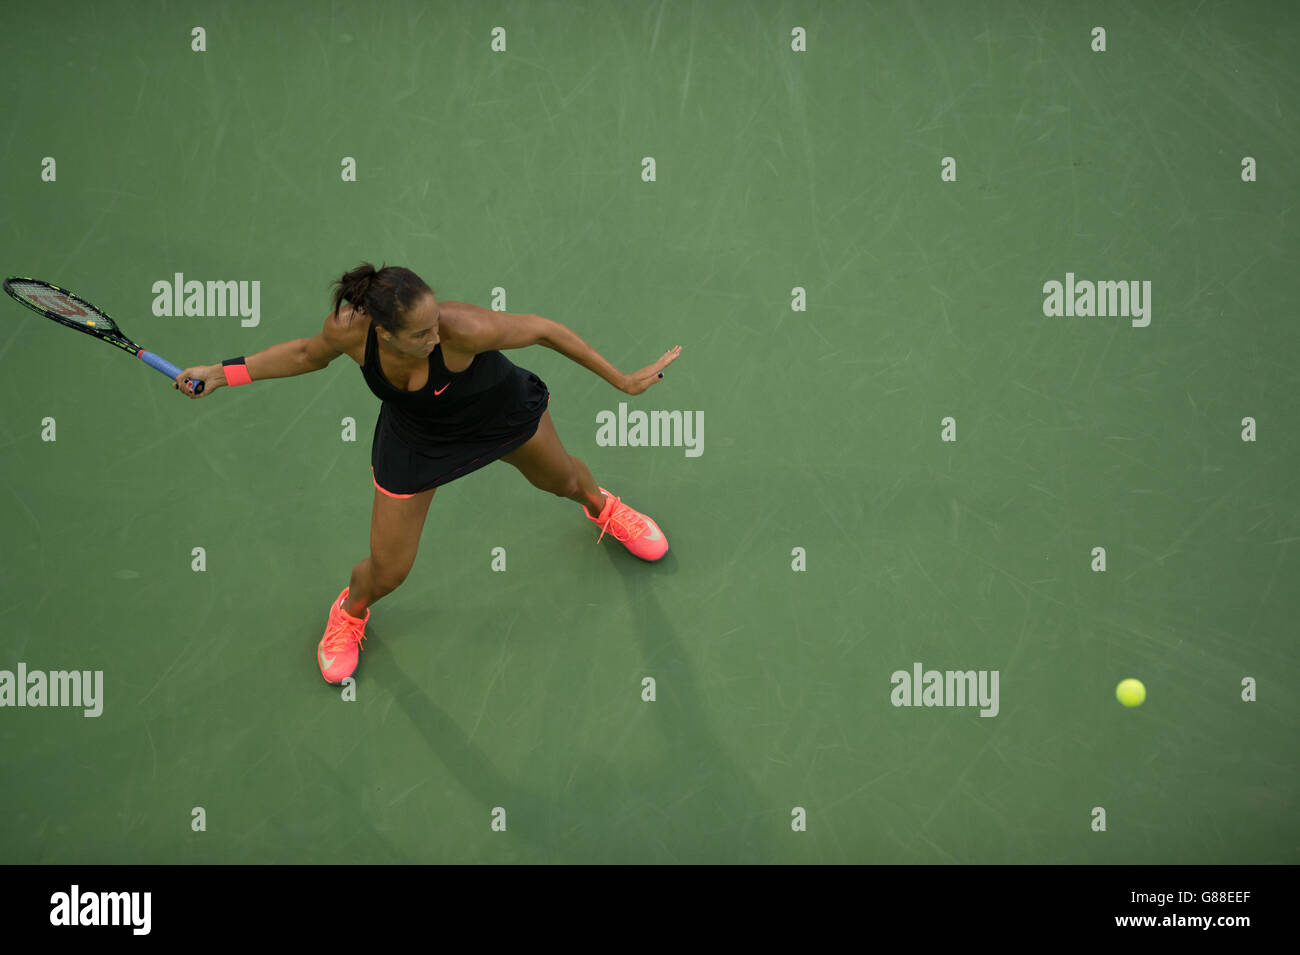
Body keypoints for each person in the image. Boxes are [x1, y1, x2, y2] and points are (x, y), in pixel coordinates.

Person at [172, 262, 681, 684]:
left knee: (564, 481)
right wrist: (220, 374)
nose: (438, 335)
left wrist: (621, 380)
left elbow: (544, 330)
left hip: (496, 415)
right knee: (389, 569)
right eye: (422, 333)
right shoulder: (349, 333)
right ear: (384, 332)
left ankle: (607, 509)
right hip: (419, 440)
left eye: (436, 321)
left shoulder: (463, 328)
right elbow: (306, 354)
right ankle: (349, 613)